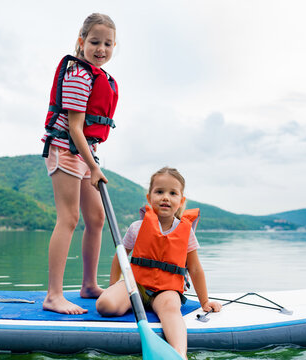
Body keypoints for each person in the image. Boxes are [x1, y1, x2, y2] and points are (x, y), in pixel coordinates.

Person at [96, 167, 222, 359]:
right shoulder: (136, 228)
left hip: (166, 290)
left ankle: (180, 354)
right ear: (149, 197)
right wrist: (115, 286)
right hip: (136, 286)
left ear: (181, 201)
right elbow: (119, 258)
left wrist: (204, 301)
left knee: (171, 309)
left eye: (172, 193)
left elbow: (195, 269)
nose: (165, 197)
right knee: (105, 305)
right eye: (159, 192)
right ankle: (128, 301)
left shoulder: (186, 232)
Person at [41, 13, 118, 315]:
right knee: (69, 218)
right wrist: (94, 166)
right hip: (65, 150)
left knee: (96, 218)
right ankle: (54, 295)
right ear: (81, 42)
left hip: (85, 154)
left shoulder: (102, 78)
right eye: (95, 42)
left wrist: (93, 163)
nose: (101, 49)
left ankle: (88, 284)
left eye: (108, 44)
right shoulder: (78, 75)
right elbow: (75, 128)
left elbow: (88, 133)